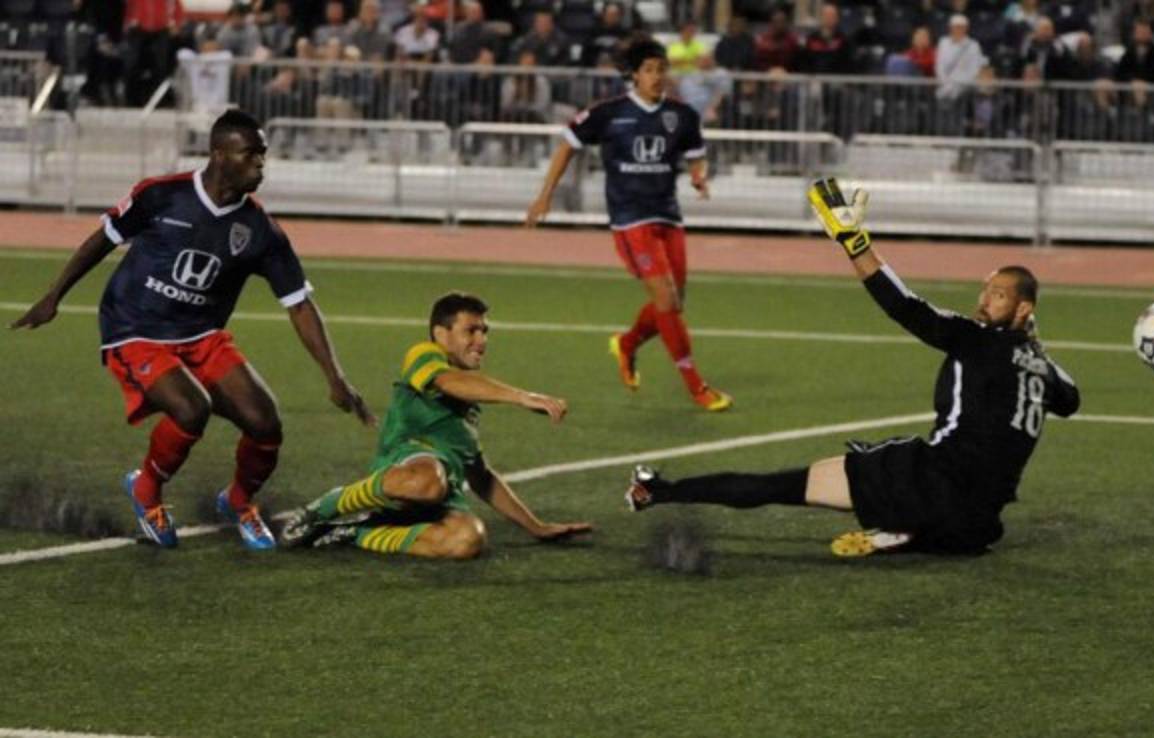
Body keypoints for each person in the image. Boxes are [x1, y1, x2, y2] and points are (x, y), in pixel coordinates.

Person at [624, 178, 1080, 557]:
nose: (984, 299)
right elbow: (1071, 399)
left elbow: (903, 304)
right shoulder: (1045, 370)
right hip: (978, 524)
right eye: (985, 289)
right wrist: (1033, 342)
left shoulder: (974, 339)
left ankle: (659, 491)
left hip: (929, 482)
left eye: (998, 294)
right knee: (937, 492)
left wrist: (854, 243)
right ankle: (906, 531)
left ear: (1022, 308)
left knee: (783, 484)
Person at [9, 110, 374, 550]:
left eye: (263, 155)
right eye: (251, 154)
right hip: (134, 327)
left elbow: (298, 303)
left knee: (265, 422)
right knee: (191, 408)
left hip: (201, 335)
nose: (261, 165)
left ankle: (237, 501)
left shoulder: (261, 230)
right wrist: (54, 297)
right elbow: (103, 238)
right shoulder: (161, 195)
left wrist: (334, 377)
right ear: (220, 155)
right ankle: (145, 489)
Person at [280, 292, 592, 558]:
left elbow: (481, 477)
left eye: (485, 331)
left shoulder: (469, 406)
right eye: (471, 331)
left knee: (469, 538)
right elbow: (445, 381)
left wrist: (537, 527)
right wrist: (522, 397)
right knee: (429, 480)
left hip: (440, 494)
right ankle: (325, 508)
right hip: (407, 470)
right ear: (441, 334)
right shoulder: (424, 355)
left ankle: (356, 533)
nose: (482, 340)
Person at [524, 38, 732, 412]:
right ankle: (695, 385)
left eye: (661, 69)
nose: (657, 77)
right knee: (667, 300)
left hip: (668, 215)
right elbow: (567, 143)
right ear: (634, 75)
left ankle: (627, 344)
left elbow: (696, 158)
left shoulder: (682, 115)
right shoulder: (609, 113)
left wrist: (699, 177)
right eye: (649, 70)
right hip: (630, 219)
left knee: (672, 302)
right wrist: (545, 195)